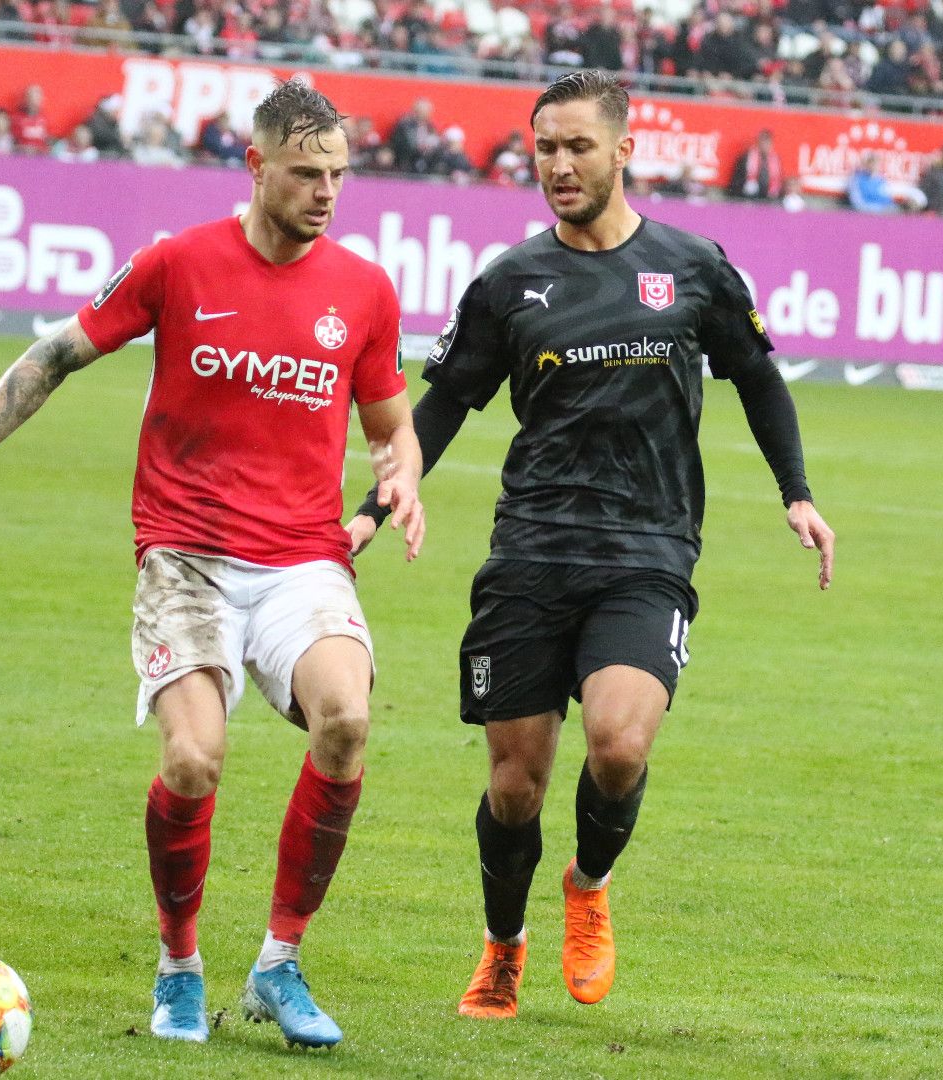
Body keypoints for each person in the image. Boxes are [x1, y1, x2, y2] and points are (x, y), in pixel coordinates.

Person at [0, 83, 424, 1050]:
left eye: (339, 175)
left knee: (345, 720)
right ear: (255, 168)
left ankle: (278, 963)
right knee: (192, 758)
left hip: (303, 553)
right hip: (187, 554)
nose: (326, 192)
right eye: (307, 174)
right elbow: (53, 356)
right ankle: (179, 967)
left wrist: (397, 492)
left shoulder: (365, 290)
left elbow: (393, 434)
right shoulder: (178, 264)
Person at [345, 69, 833, 1021]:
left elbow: (758, 377)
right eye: (544, 150)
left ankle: (589, 885)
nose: (559, 166)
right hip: (530, 553)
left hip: (648, 553)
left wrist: (797, 493)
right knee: (516, 784)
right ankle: (503, 946)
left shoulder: (695, 266)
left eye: (577, 147)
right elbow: (441, 404)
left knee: (616, 745)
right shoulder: (508, 282)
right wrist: (377, 501)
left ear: (623, 152)